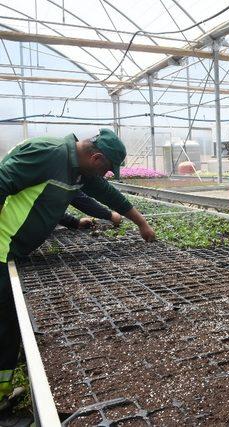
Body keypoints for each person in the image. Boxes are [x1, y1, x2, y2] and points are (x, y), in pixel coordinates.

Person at [0, 129, 155, 409]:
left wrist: (141, 222)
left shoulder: (76, 168)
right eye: (107, 169)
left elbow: (101, 195)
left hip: (13, 248)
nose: (105, 176)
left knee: (9, 322)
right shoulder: (50, 154)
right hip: (1, 246)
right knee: (5, 324)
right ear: (96, 158)